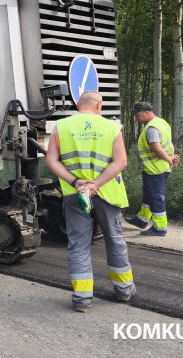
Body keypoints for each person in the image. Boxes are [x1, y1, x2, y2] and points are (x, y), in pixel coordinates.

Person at [46, 91, 135, 312]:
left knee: (78, 244)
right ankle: (124, 290)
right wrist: (97, 184)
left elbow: (52, 161)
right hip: (107, 194)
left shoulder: (61, 127)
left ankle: (82, 298)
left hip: (75, 194)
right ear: (99, 106)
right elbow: (120, 162)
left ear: (78, 105)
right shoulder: (112, 127)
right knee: (114, 240)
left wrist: (76, 182)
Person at [125, 102, 179, 236]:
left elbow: (157, 148)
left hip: (155, 168)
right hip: (159, 166)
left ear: (147, 112)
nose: (136, 118)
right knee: (149, 194)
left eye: (137, 115)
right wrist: (171, 157)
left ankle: (160, 227)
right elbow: (169, 143)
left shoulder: (152, 128)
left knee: (155, 196)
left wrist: (169, 159)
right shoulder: (162, 123)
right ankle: (142, 219)